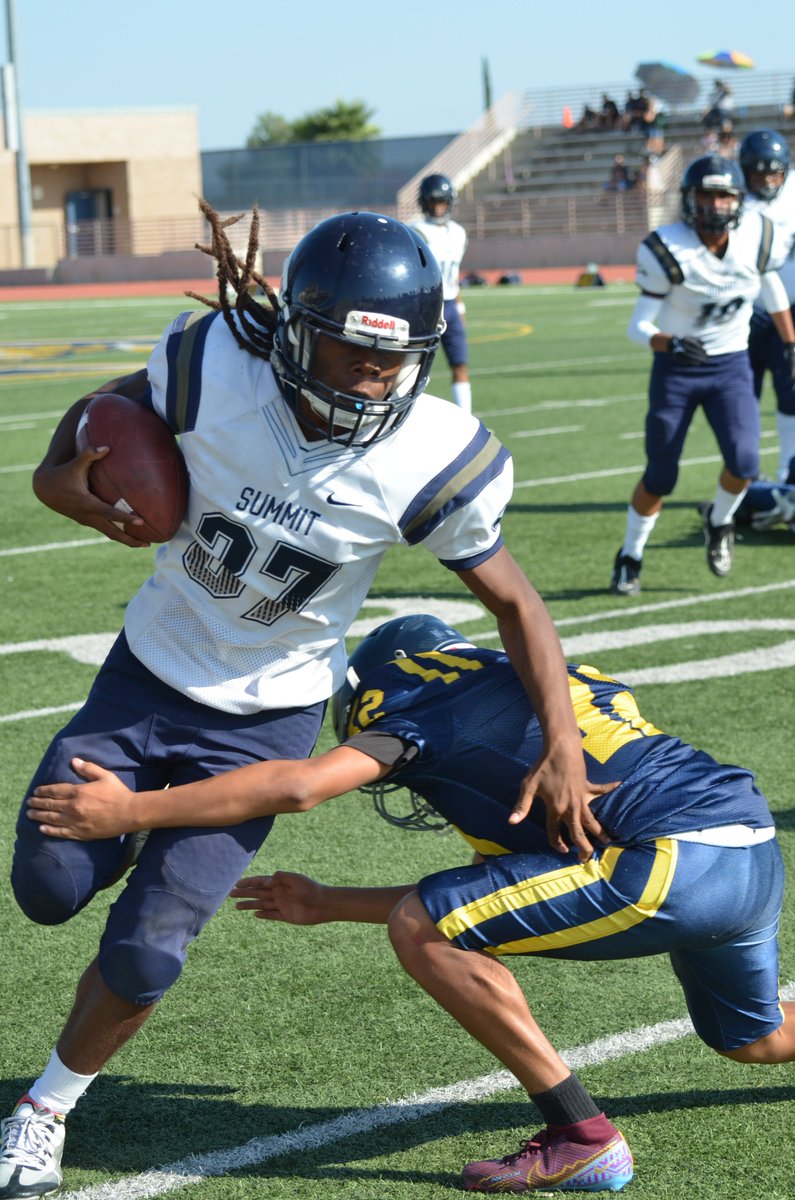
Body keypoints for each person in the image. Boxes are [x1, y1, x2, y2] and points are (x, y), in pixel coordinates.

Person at [0, 207, 592, 1200]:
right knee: (48, 889)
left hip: (267, 720)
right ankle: (135, 853)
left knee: (148, 951)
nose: (374, 379)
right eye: (350, 355)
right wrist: (63, 484)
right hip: (147, 675)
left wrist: (563, 741)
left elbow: (515, 601)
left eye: (395, 360)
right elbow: (104, 413)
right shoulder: (212, 366)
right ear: (293, 328)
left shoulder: (433, 454)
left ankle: (43, 1108)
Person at [27, 613, 795, 1195]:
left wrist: (132, 815)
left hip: (670, 861)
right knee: (751, 1040)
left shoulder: (421, 703)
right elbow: (495, 900)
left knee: (426, 923)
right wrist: (330, 902)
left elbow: (302, 787)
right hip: (749, 848)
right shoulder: (539, 688)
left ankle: (580, 1133)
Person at [611, 154, 795, 597]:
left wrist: (789, 343)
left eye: (724, 195)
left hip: (730, 364)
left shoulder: (757, 236)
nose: (715, 205)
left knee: (746, 462)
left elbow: (769, 284)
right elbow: (639, 326)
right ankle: (630, 554)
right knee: (660, 476)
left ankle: (721, 521)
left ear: (737, 200)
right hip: (678, 369)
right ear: (690, 199)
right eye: (707, 195)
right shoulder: (668, 247)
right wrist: (668, 342)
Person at [739, 130, 795, 480]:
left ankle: (789, 469)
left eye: (774, 173)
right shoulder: (730, 196)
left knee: (791, 391)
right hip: (744, 312)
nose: (767, 180)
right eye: (758, 174)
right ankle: (746, 474)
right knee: (743, 397)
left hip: (791, 309)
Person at [409, 174, 473, 413]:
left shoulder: (458, 232)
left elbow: (453, 274)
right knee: (413, 368)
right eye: (434, 202)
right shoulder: (416, 231)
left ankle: (467, 418)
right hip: (424, 306)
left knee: (460, 364)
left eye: (443, 202)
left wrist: (460, 305)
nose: (438, 207)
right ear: (424, 202)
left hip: (450, 306)